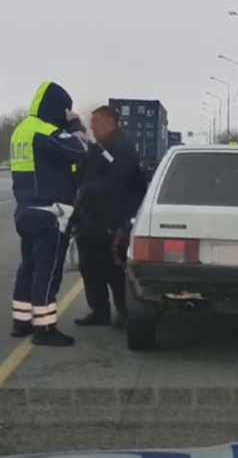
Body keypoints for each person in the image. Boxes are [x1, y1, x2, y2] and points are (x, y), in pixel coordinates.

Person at [9, 81, 89, 347]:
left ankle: (21, 322)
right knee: (48, 270)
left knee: (29, 266)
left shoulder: (22, 130)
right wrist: (75, 125)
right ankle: (44, 328)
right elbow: (81, 150)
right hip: (49, 214)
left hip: (26, 210)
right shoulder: (44, 132)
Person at [73, 105, 147, 328]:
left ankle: (124, 310)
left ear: (110, 123)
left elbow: (118, 180)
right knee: (89, 266)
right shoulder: (97, 147)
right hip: (91, 217)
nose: (92, 126)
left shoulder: (122, 148)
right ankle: (99, 311)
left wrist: (86, 191)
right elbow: (84, 172)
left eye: (96, 122)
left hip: (114, 217)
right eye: (91, 122)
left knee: (112, 267)